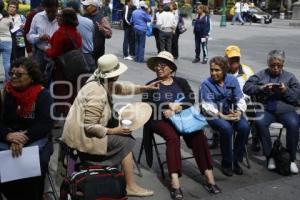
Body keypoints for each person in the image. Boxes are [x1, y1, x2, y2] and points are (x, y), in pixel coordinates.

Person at [62, 54, 160, 197]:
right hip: (82, 138)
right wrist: (114, 130)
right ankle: (130, 185)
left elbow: (120, 88)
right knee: (127, 141)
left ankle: (125, 177)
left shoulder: (100, 79)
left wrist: (145, 88)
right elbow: (89, 126)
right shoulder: (97, 92)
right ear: (114, 74)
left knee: (122, 133)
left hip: (81, 132)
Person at [142, 51, 221, 200]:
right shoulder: (151, 85)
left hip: (182, 117)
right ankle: (175, 183)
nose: (159, 68)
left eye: (162, 65)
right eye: (157, 66)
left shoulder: (181, 82)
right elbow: (147, 105)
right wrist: (166, 107)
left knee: (198, 135)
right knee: (173, 138)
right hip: (159, 119)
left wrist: (178, 107)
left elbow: (190, 98)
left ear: (171, 68)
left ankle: (209, 178)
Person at [0, 57, 53, 200]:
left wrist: (21, 138)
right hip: (9, 137)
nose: (14, 77)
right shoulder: (6, 93)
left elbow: (45, 124)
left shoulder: (43, 95)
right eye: (12, 74)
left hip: (34, 137)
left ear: (31, 77)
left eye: (19, 74)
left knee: (38, 160)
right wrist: (8, 135)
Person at [243, 50, 300, 174]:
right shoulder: (261, 74)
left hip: (286, 110)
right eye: (272, 65)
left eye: (278, 65)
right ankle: (270, 157)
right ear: (268, 64)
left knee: (294, 124)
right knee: (260, 122)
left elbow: (296, 97)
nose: (275, 68)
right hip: (266, 108)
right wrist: (261, 88)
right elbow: (246, 87)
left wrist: (285, 91)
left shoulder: (290, 77)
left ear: (282, 65)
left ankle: (291, 159)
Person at [200, 56, 250, 177]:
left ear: (224, 70)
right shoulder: (206, 84)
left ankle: (236, 159)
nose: (213, 73)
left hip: (231, 112)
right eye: (212, 70)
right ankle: (227, 162)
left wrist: (238, 111)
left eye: (217, 70)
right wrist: (222, 115)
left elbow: (240, 98)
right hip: (214, 114)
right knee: (226, 128)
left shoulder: (232, 80)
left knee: (244, 127)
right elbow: (207, 106)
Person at [43, 8, 82, 117]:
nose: (57, 18)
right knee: (72, 92)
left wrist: (46, 49)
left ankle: (62, 117)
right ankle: (72, 115)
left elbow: (54, 53)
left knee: (60, 92)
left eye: (59, 16)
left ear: (65, 19)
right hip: (74, 68)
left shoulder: (60, 33)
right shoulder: (76, 32)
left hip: (61, 69)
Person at [27, 0, 59, 76]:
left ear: (58, 7)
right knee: (38, 77)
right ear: (44, 8)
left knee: (55, 78)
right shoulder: (37, 17)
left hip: (57, 55)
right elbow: (29, 36)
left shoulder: (62, 17)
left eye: (53, 11)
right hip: (40, 54)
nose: (51, 14)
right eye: (48, 11)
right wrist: (39, 37)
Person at [66, 0, 96, 72]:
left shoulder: (65, 23)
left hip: (73, 57)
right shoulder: (89, 21)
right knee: (89, 82)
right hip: (88, 57)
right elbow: (92, 35)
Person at [0, 0, 13, 81]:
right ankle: (8, 80)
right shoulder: (8, 16)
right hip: (7, 41)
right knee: (7, 62)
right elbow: (12, 27)